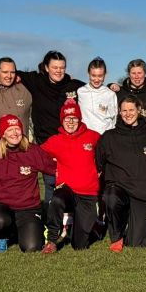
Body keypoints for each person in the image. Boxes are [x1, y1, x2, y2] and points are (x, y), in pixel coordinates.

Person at [96, 96, 146, 250]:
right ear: (119, 112)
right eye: (124, 110)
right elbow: (98, 165)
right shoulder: (109, 137)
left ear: (139, 110)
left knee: (136, 244)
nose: (128, 114)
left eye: (131, 110)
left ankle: (131, 221)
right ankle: (116, 236)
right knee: (111, 197)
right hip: (118, 188)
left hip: (144, 193)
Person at [16, 51, 85, 202]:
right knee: (50, 182)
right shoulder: (36, 81)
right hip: (46, 144)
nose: (59, 71)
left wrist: (112, 86)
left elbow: (95, 89)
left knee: (71, 184)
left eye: (62, 67)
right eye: (55, 67)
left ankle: (70, 215)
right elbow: (9, 72)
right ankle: (50, 214)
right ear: (47, 68)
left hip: (69, 145)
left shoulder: (73, 86)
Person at [0, 114, 55, 253]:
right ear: (3, 134)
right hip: (2, 206)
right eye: (9, 129)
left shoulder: (33, 150)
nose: (14, 133)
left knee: (32, 247)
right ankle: (3, 235)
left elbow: (55, 168)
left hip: (28, 207)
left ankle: (27, 227)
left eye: (17, 129)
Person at [41, 100, 102, 252]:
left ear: (79, 119)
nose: (70, 122)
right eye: (67, 118)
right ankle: (52, 240)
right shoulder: (55, 140)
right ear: (62, 120)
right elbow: (37, 156)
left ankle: (92, 225)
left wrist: (101, 169)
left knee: (79, 246)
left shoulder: (93, 136)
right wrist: (52, 168)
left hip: (88, 194)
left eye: (74, 118)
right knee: (57, 199)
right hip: (67, 190)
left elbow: (108, 152)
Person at [0, 57, 32, 140]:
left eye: (12, 72)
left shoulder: (25, 89)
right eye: (5, 72)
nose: (9, 76)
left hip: (22, 144)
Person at [111, 59, 146, 127]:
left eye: (139, 73)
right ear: (129, 74)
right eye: (133, 73)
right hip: (122, 132)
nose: (136, 76)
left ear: (145, 73)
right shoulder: (119, 93)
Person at [77, 57, 117, 134]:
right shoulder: (81, 92)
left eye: (100, 76)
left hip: (105, 136)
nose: (96, 79)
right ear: (88, 73)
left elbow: (114, 118)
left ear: (105, 74)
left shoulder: (110, 94)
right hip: (86, 136)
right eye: (93, 75)